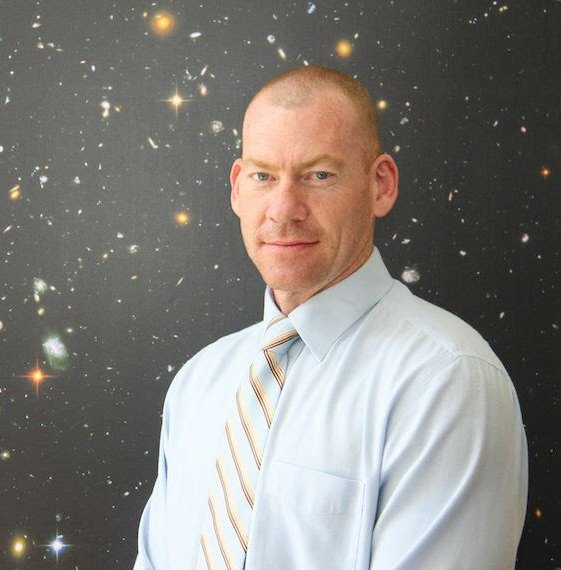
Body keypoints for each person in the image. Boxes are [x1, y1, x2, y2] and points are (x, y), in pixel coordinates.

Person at [133, 65, 528, 570]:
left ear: (381, 185)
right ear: (236, 188)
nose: (283, 209)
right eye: (263, 176)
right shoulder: (199, 383)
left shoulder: (447, 380)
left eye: (318, 175)